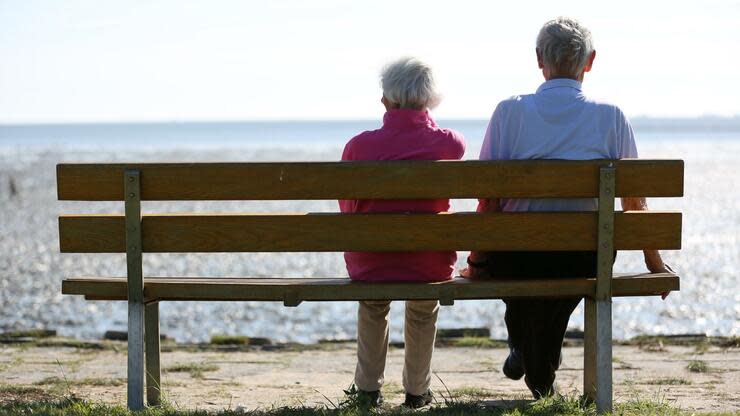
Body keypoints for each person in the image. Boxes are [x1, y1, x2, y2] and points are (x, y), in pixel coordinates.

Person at [461, 17, 674, 399]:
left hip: (517, 257)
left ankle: (530, 358)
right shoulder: (611, 117)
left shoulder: (508, 112)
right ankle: (531, 359)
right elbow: (634, 199)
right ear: (589, 61)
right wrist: (654, 262)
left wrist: (477, 261)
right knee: (557, 298)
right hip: (585, 258)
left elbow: (488, 199)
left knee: (523, 280)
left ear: (539, 59)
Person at [339, 57, 465, 408]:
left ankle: (366, 391)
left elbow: (347, 207)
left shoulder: (358, 147)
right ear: (431, 100)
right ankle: (416, 392)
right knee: (423, 307)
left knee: (373, 303)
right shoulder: (450, 145)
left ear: (385, 100)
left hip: (372, 264)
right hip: (428, 265)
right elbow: (439, 140)